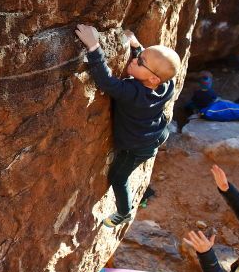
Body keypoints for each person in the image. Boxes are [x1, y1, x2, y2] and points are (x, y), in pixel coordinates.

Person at [74, 24, 181, 227]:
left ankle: (124, 212)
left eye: (140, 61)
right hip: (154, 134)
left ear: (152, 78)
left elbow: (106, 82)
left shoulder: (134, 93)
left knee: (118, 176)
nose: (134, 59)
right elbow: (154, 67)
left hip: (136, 147)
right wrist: (137, 45)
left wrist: (94, 46)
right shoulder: (166, 85)